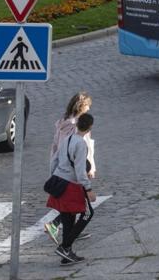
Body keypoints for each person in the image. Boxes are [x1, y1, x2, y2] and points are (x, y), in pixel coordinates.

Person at [45, 112, 97, 265]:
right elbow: (81, 171)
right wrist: (88, 189)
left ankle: (66, 254)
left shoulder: (67, 139)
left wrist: (53, 177)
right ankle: (65, 246)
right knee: (87, 214)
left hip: (59, 181)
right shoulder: (81, 144)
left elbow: (54, 160)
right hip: (71, 186)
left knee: (68, 218)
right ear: (89, 128)